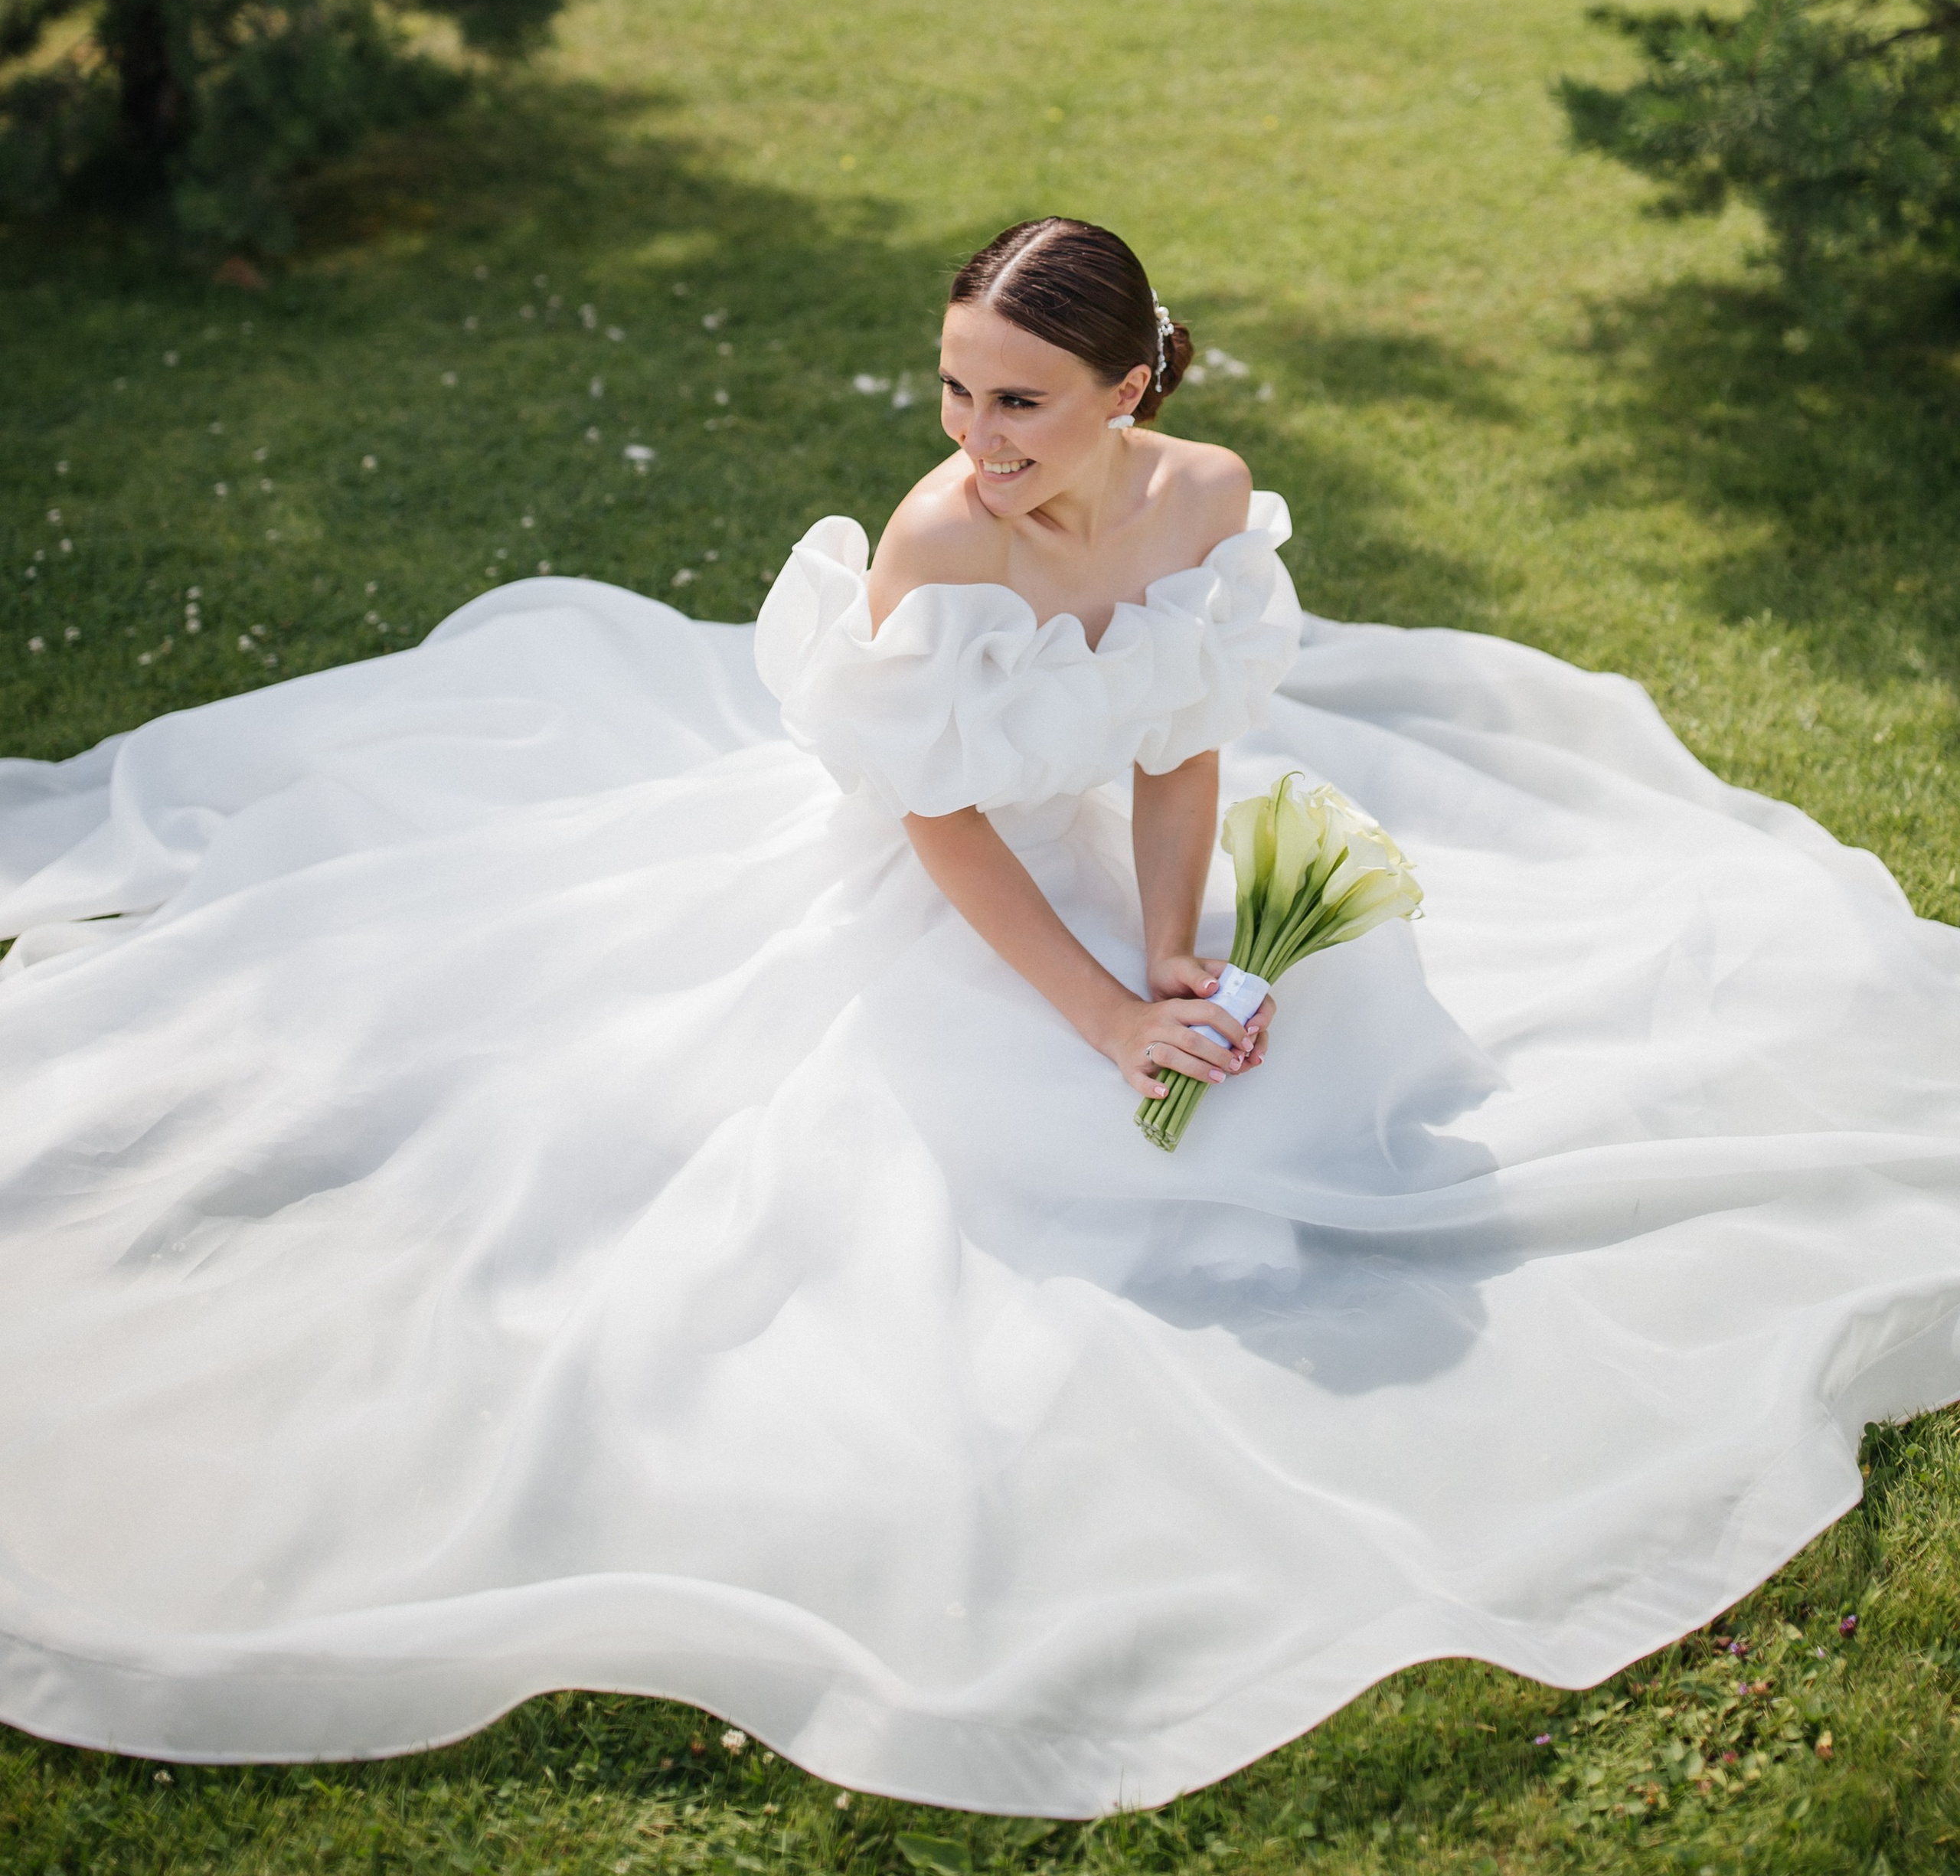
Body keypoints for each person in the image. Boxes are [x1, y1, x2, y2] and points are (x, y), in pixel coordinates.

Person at [1, 216, 1957, 1821]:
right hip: (940, 888)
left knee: (1301, 1077)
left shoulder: (1205, 500)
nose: (976, 432)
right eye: (951, 388)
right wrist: (1103, 1016)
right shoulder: (935, 541)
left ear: (1132, 388)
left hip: (1113, 868)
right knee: (977, 1179)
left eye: (1018, 399)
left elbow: (1183, 743)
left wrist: (1176, 951)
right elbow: (930, 818)